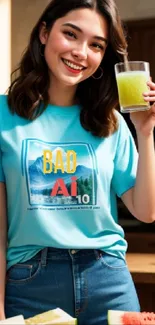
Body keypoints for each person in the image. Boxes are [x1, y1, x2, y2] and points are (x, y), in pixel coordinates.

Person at [1, 0, 155, 324]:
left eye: (96, 45)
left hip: (108, 279)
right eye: (71, 34)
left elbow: (147, 210)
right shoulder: (4, 116)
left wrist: (145, 132)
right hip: (31, 284)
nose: (81, 52)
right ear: (44, 33)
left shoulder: (109, 122)